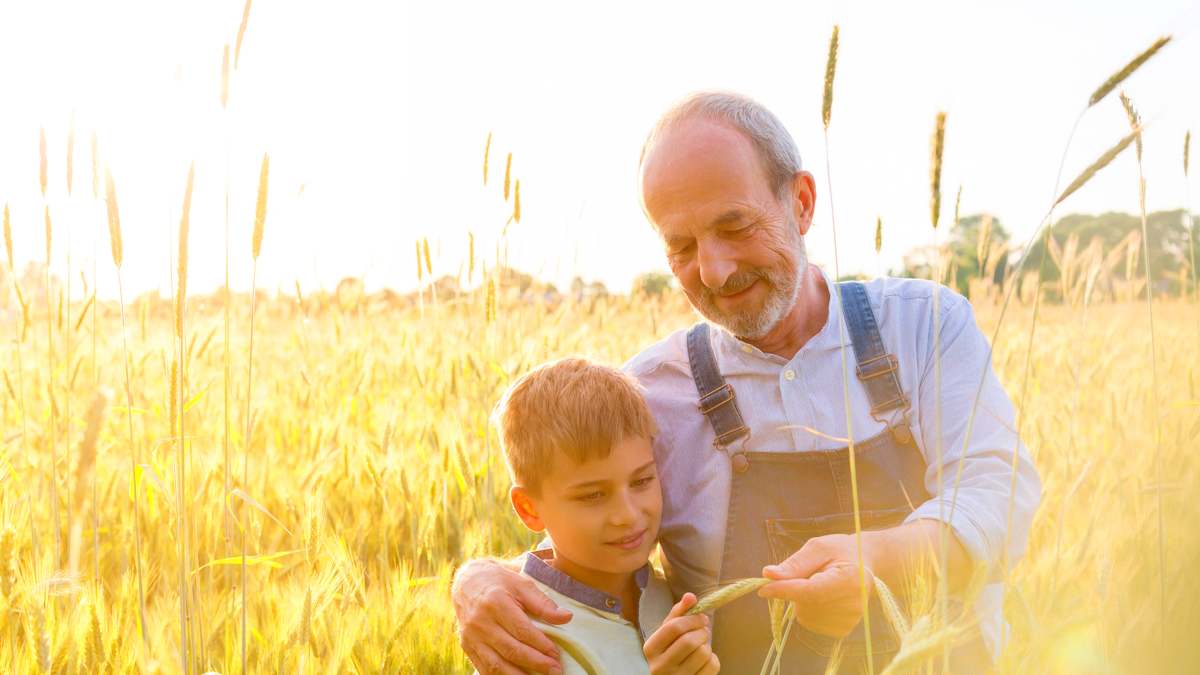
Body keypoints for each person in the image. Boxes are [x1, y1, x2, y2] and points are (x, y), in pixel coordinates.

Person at [452, 91, 1042, 674]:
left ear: (802, 202)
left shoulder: (922, 325)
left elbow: (999, 497)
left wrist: (877, 561)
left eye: (734, 227)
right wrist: (478, 579)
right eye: (681, 247)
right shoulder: (653, 392)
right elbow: (586, 542)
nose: (714, 270)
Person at [484, 357, 720, 674]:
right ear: (529, 508)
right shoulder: (520, 640)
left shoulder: (670, 591)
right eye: (593, 495)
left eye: (642, 481)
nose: (628, 514)